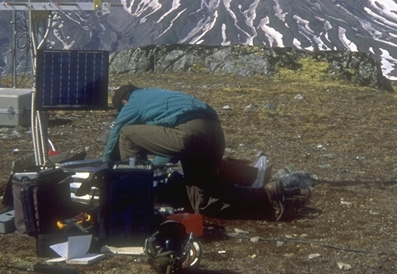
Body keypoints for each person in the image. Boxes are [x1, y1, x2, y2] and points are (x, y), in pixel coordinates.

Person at [104, 84, 310, 220]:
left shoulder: (133, 102)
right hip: (213, 134)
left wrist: (107, 166)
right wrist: (158, 163)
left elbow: (117, 133)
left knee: (127, 133)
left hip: (190, 133)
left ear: (123, 101)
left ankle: (135, 198)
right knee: (204, 202)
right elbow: (169, 144)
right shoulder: (159, 97)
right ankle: (266, 195)